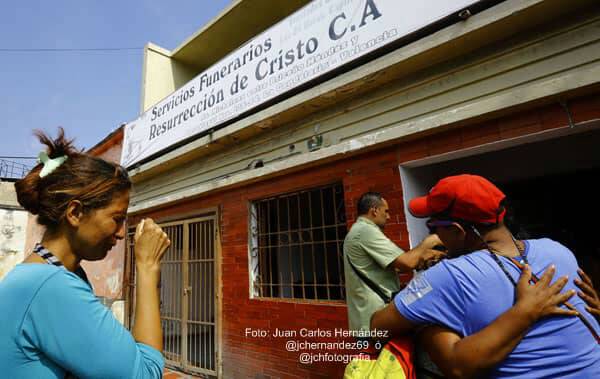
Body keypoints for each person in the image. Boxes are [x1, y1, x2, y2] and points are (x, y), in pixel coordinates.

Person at [371, 174, 600, 378]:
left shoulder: (450, 275)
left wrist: (427, 323)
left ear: (457, 230)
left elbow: (377, 327)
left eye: (434, 227)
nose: (434, 235)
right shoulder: (557, 250)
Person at [0, 129, 170, 378]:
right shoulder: (51, 288)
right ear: (75, 213)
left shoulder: (40, 275)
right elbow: (146, 373)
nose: (122, 233)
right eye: (117, 218)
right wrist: (147, 267)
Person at [343, 192, 445, 333]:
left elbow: (392, 266)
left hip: (368, 318)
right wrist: (430, 241)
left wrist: (424, 258)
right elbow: (406, 262)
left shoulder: (358, 230)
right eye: (386, 211)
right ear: (374, 210)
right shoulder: (365, 231)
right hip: (374, 317)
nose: (389, 216)